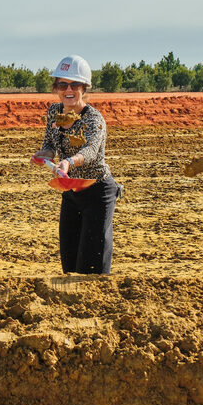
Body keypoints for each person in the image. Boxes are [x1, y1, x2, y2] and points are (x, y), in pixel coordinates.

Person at [33, 55, 121, 274]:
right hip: (71, 191)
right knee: (70, 263)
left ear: (85, 88)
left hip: (97, 192)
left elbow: (90, 151)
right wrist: (42, 155)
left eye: (75, 84)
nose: (68, 90)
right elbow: (49, 145)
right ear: (56, 88)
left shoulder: (93, 119)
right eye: (63, 84)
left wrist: (68, 162)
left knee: (91, 265)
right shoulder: (54, 112)